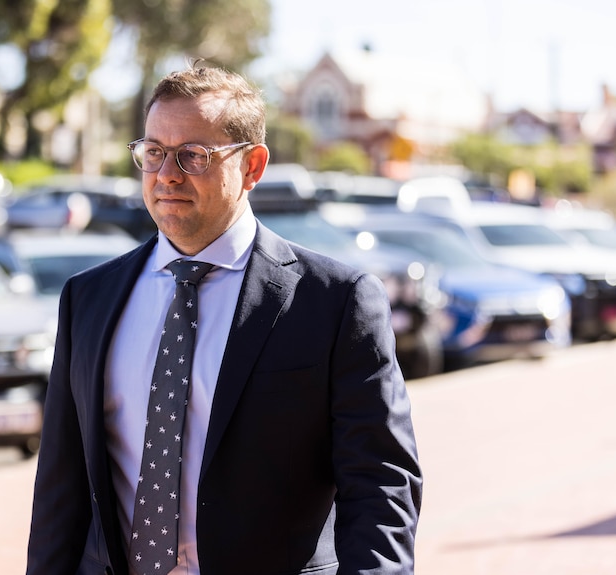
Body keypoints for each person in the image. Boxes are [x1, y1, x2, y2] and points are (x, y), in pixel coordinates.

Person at [26, 64, 422, 575]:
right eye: (153, 153)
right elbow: (61, 486)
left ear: (253, 166)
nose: (167, 174)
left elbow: (380, 483)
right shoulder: (89, 297)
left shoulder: (335, 301)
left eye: (193, 155)